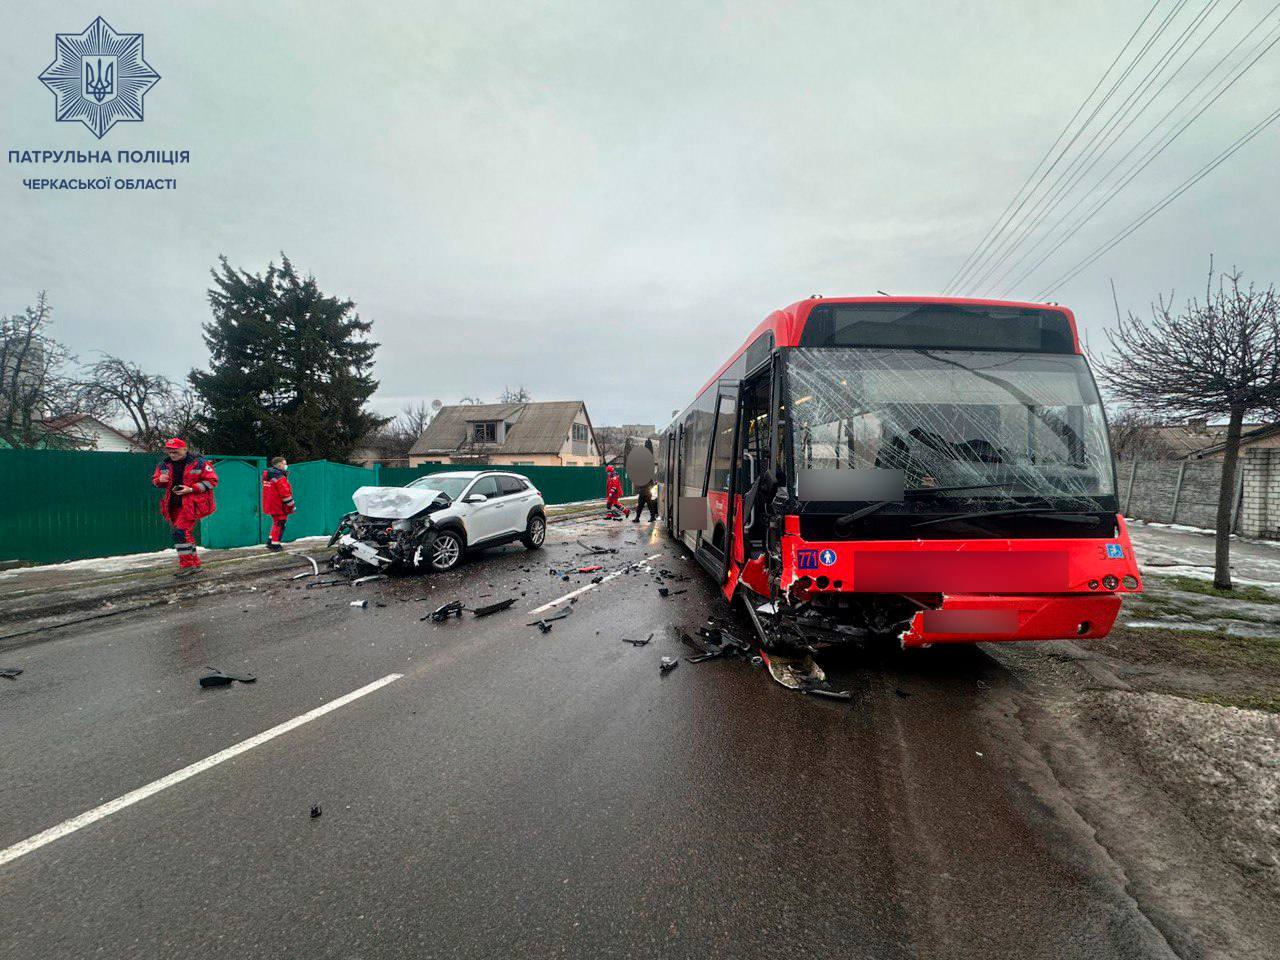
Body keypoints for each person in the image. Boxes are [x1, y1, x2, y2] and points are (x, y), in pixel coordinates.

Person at [151, 438, 218, 576]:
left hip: (191, 504)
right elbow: (156, 480)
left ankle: (187, 566)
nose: (172, 454)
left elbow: (212, 481)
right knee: (185, 534)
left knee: (180, 533)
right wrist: (159, 481)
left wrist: (191, 489)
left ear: (184, 449)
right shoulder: (164, 464)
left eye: (175, 451)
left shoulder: (199, 463)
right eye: (169, 451)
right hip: (173, 504)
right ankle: (195, 564)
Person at [261, 456, 297, 552]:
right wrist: (291, 505)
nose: (286, 466)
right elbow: (285, 493)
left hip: (270, 503)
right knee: (280, 523)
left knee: (276, 522)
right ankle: (275, 544)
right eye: (285, 463)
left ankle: (270, 541)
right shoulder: (280, 477)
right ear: (280, 464)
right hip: (279, 505)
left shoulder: (267, 475)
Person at [631, 438, 658, 523]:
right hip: (644, 491)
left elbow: (651, 482)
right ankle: (638, 518)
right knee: (642, 506)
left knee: (647, 505)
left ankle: (645, 517)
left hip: (645, 492)